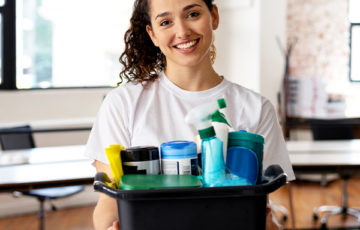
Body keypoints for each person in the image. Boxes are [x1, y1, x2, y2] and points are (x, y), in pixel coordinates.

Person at [85, 0, 295, 229]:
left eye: (193, 14)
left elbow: (263, 206)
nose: (182, 32)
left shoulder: (256, 108)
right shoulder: (124, 103)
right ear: (152, 34)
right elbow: (108, 203)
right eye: (165, 22)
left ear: (214, 16)